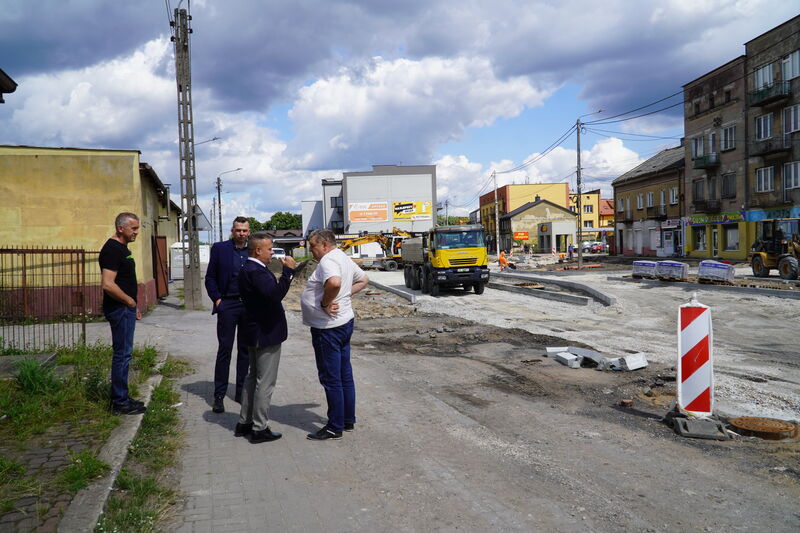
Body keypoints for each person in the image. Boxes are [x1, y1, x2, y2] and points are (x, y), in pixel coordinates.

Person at [301, 229, 369, 440]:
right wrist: (344, 296)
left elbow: (334, 283)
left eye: (312, 246)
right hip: (343, 323)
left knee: (331, 378)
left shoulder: (328, 261)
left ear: (324, 244)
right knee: (343, 374)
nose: (311, 250)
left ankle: (334, 427)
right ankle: (347, 419)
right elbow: (363, 279)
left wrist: (325, 303)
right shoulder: (342, 257)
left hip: (327, 329)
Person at [234, 232, 297, 443]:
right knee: (265, 382)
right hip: (265, 333)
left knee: (252, 378)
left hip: (253, 331)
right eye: (270, 249)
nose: (273, 252)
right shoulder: (257, 271)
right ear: (258, 250)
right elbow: (275, 295)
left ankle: (245, 422)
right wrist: (288, 271)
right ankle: (260, 428)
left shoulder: (248, 268)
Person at [99, 212, 146, 415]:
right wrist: (129, 301)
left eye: (137, 228)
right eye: (133, 228)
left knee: (124, 354)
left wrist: (133, 306)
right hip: (119, 309)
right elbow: (107, 284)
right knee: (122, 355)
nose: (136, 232)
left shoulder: (121, 248)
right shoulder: (112, 250)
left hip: (125, 308)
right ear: (121, 228)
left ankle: (123, 397)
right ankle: (119, 403)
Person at [205, 216, 251, 414]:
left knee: (245, 351)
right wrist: (217, 300)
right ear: (232, 230)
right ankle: (219, 396)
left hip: (248, 306)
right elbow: (210, 277)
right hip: (228, 305)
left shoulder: (253, 250)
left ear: (249, 232)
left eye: (244, 230)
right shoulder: (220, 248)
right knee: (225, 350)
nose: (241, 233)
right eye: (238, 230)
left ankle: (241, 393)